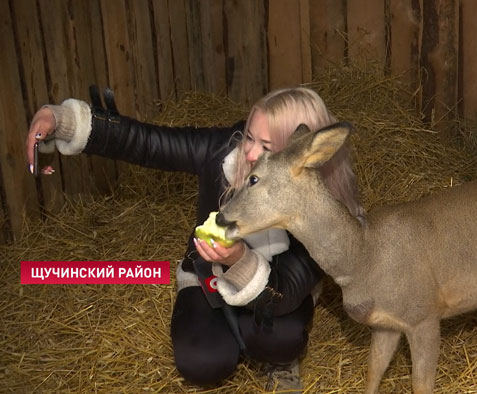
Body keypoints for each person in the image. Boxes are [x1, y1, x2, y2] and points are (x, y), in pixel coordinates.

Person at [25, 86, 365, 392]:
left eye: (266, 146)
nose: (249, 153)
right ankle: (231, 334)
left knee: (282, 339)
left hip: (273, 289)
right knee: (201, 363)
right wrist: (62, 120)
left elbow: (288, 288)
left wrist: (240, 261)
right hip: (207, 275)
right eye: (249, 136)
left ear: (298, 158)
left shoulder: (324, 211)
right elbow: (147, 142)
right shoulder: (222, 150)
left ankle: (275, 356)